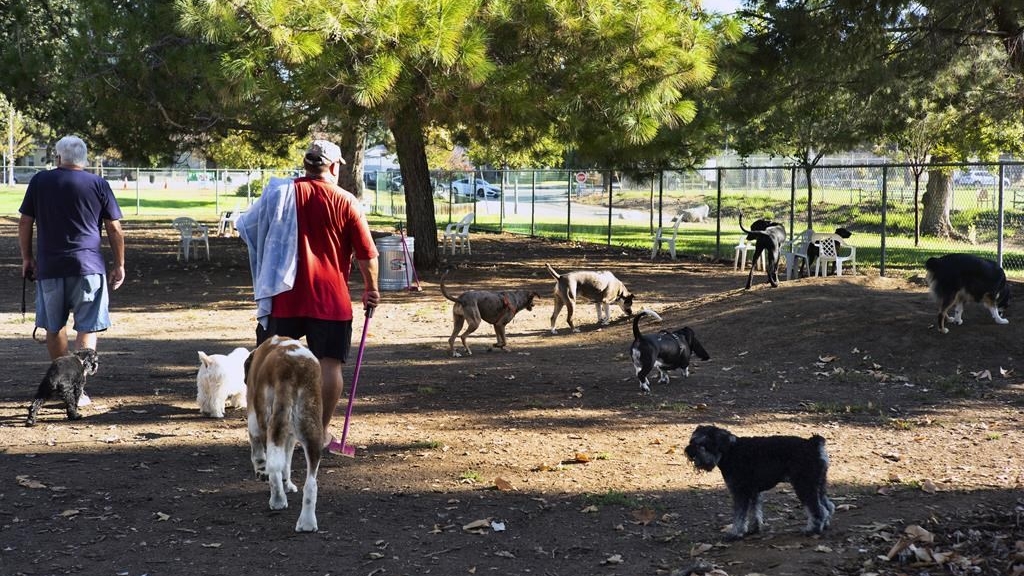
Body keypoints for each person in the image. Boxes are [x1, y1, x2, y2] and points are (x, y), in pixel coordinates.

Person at [237, 139, 380, 452]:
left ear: (307, 165)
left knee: (269, 362)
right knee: (330, 365)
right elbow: (368, 254)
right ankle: (318, 432)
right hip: (330, 298)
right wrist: (371, 289)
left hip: (283, 293)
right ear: (332, 166)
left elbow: (246, 226)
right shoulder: (346, 201)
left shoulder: (279, 194)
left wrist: (271, 253)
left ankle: (268, 431)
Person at [18, 135, 126, 405]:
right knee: (87, 327)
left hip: (51, 266)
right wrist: (119, 264)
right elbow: (114, 227)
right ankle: (77, 390)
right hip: (88, 266)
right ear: (85, 158)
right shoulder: (99, 184)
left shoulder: (40, 181)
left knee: (54, 327)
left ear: (58, 157)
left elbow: (25, 222)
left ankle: (62, 383)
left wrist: (27, 258)